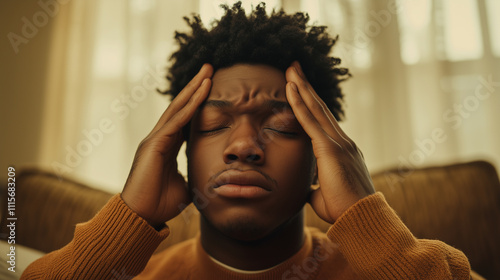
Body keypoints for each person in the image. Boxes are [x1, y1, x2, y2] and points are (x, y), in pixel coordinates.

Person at [21, 2, 471, 279]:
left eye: (281, 125)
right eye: (215, 125)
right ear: (181, 151)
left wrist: (369, 223)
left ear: (321, 158)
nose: (244, 146)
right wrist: (127, 218)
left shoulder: (389, 270)